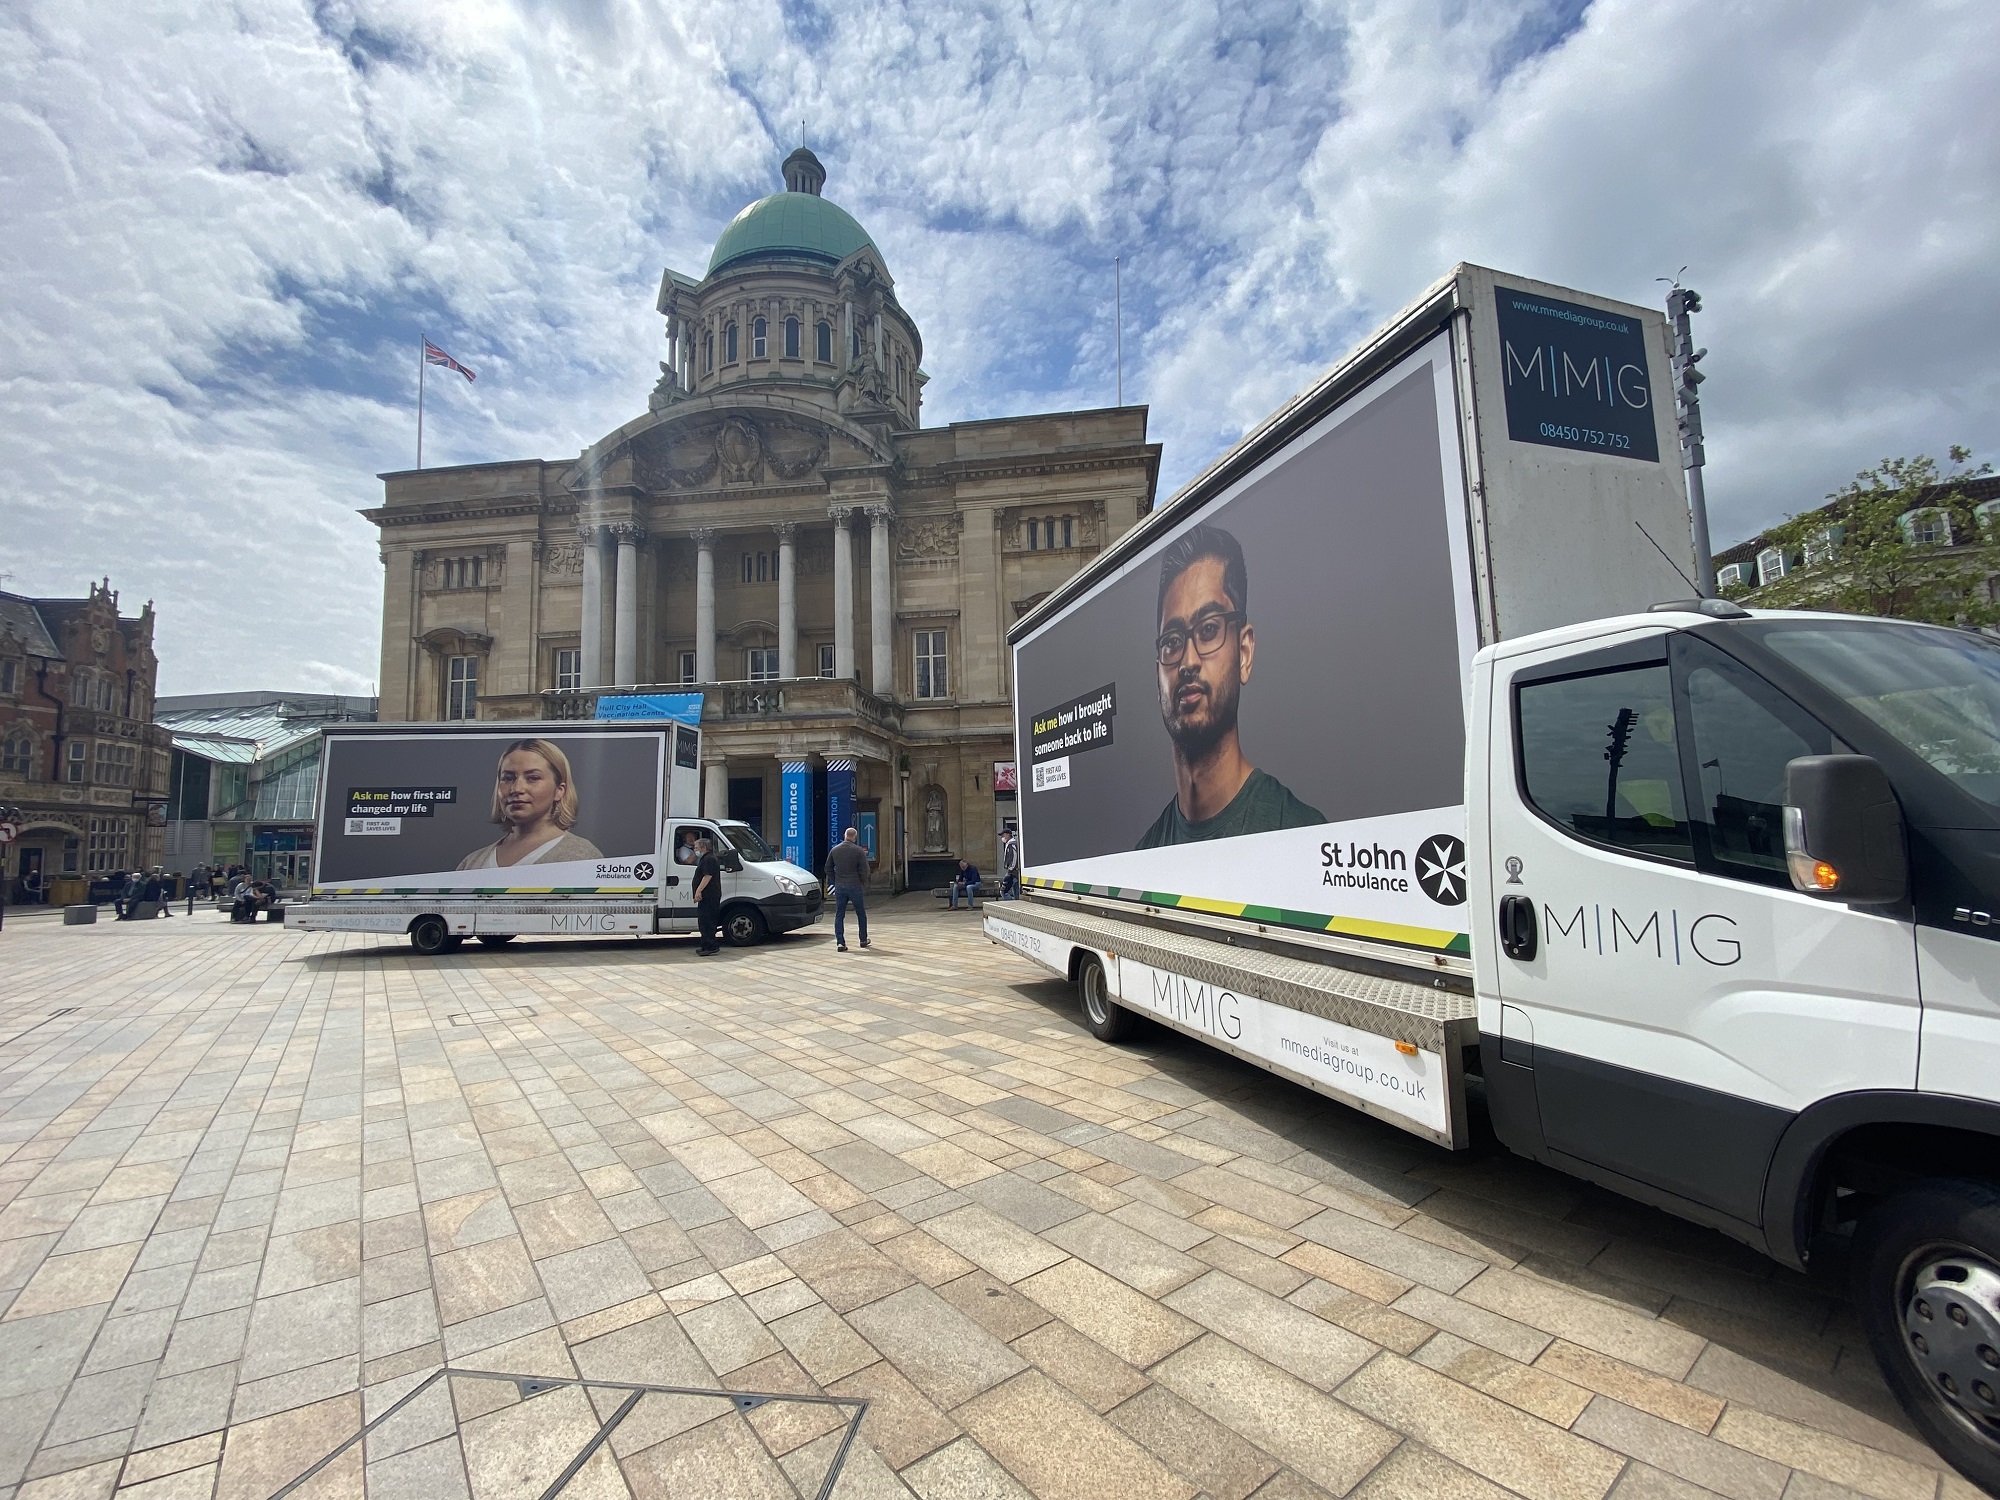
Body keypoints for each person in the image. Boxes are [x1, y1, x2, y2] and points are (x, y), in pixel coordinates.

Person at [1137, 523, 1325, 848]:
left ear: (1244, 652)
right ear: (1158, 677)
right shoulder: (1144, 853)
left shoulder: (1301, 835)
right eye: (1172, 641)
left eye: (1209, 629)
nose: (1188, 661)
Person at [456, 739, 604, 870]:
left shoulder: (582, 857)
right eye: (508, 778)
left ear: (559, 790)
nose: (516, 789)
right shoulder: (472, 863)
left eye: (533, 778)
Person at [824, 826, 870, 952]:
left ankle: (840, 942)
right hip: (855, 885)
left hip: (840, 886)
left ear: (845, 836)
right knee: (861, 913)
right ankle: (863, 940)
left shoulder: (835, 850)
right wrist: (863, 882)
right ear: (855, 837)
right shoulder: (859, 851)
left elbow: (827, 868)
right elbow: (864, 870)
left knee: (839, 914)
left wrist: (836, 879)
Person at [692, 836, 723, 955]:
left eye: (696, 848)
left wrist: (698, 890)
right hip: (707, 896)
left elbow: (707, 876)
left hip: (710, 895)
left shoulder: (709, 859)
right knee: (703, 921)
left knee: (707, 921)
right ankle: (705, 945)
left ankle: (711, 945)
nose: (695, 850)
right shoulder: (705, 859)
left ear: (703, 847)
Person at [1000, 830, 1020, 900]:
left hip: (1013, 872)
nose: (1002, 838)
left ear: (1008, 835)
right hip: (1014, 872)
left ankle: (1011, 902)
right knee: (1016, 890)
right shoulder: (1010, 844)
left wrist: (1011, 868)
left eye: (1003, 835)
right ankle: (1016, 902)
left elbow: (1014, 857)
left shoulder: (1012, 844)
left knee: (1003, 891)